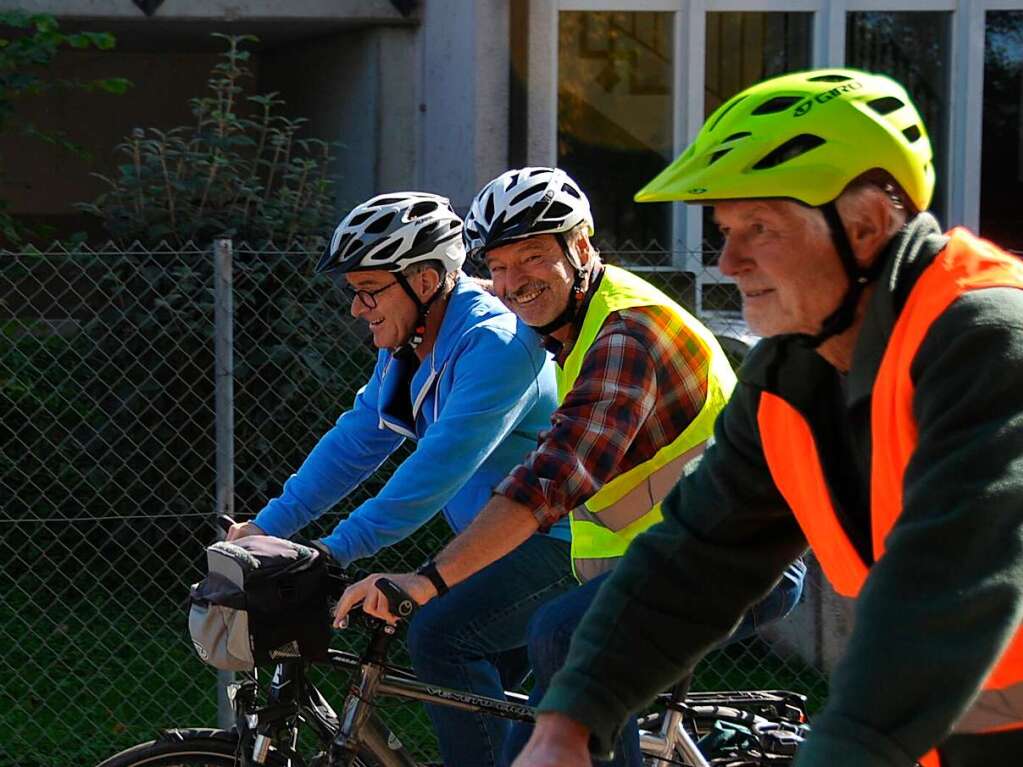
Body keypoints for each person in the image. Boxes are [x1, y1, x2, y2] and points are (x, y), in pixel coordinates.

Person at [508, 69, 1023, 767]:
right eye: (724, 230)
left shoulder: (986, 336)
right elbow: (697, 553)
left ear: (866, 223)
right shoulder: (794, 370)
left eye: (759, 227)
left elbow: (946, 590)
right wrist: (567, 719)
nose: (727, 261)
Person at [335, 168, 806, 766]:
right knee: (529, 740)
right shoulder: (566, 331)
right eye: (499, 266)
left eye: (532, 258)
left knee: (566, 635)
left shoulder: (626, 333)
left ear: (580, 247)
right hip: (660, 559)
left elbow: (550, 481)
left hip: (739, 557)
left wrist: (427, 580)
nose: (511, 283)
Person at [226, 191, 575, 767]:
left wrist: (330, 551)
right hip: (496, 546)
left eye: (369, 290)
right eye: (354, 292)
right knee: (505, 725)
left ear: (427, 279)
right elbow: (360, 437)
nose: (357, 309)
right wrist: (268, 527)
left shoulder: (496, 342)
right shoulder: (414, 339)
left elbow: (437, 469)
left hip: (558, 543)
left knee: (440, 636)